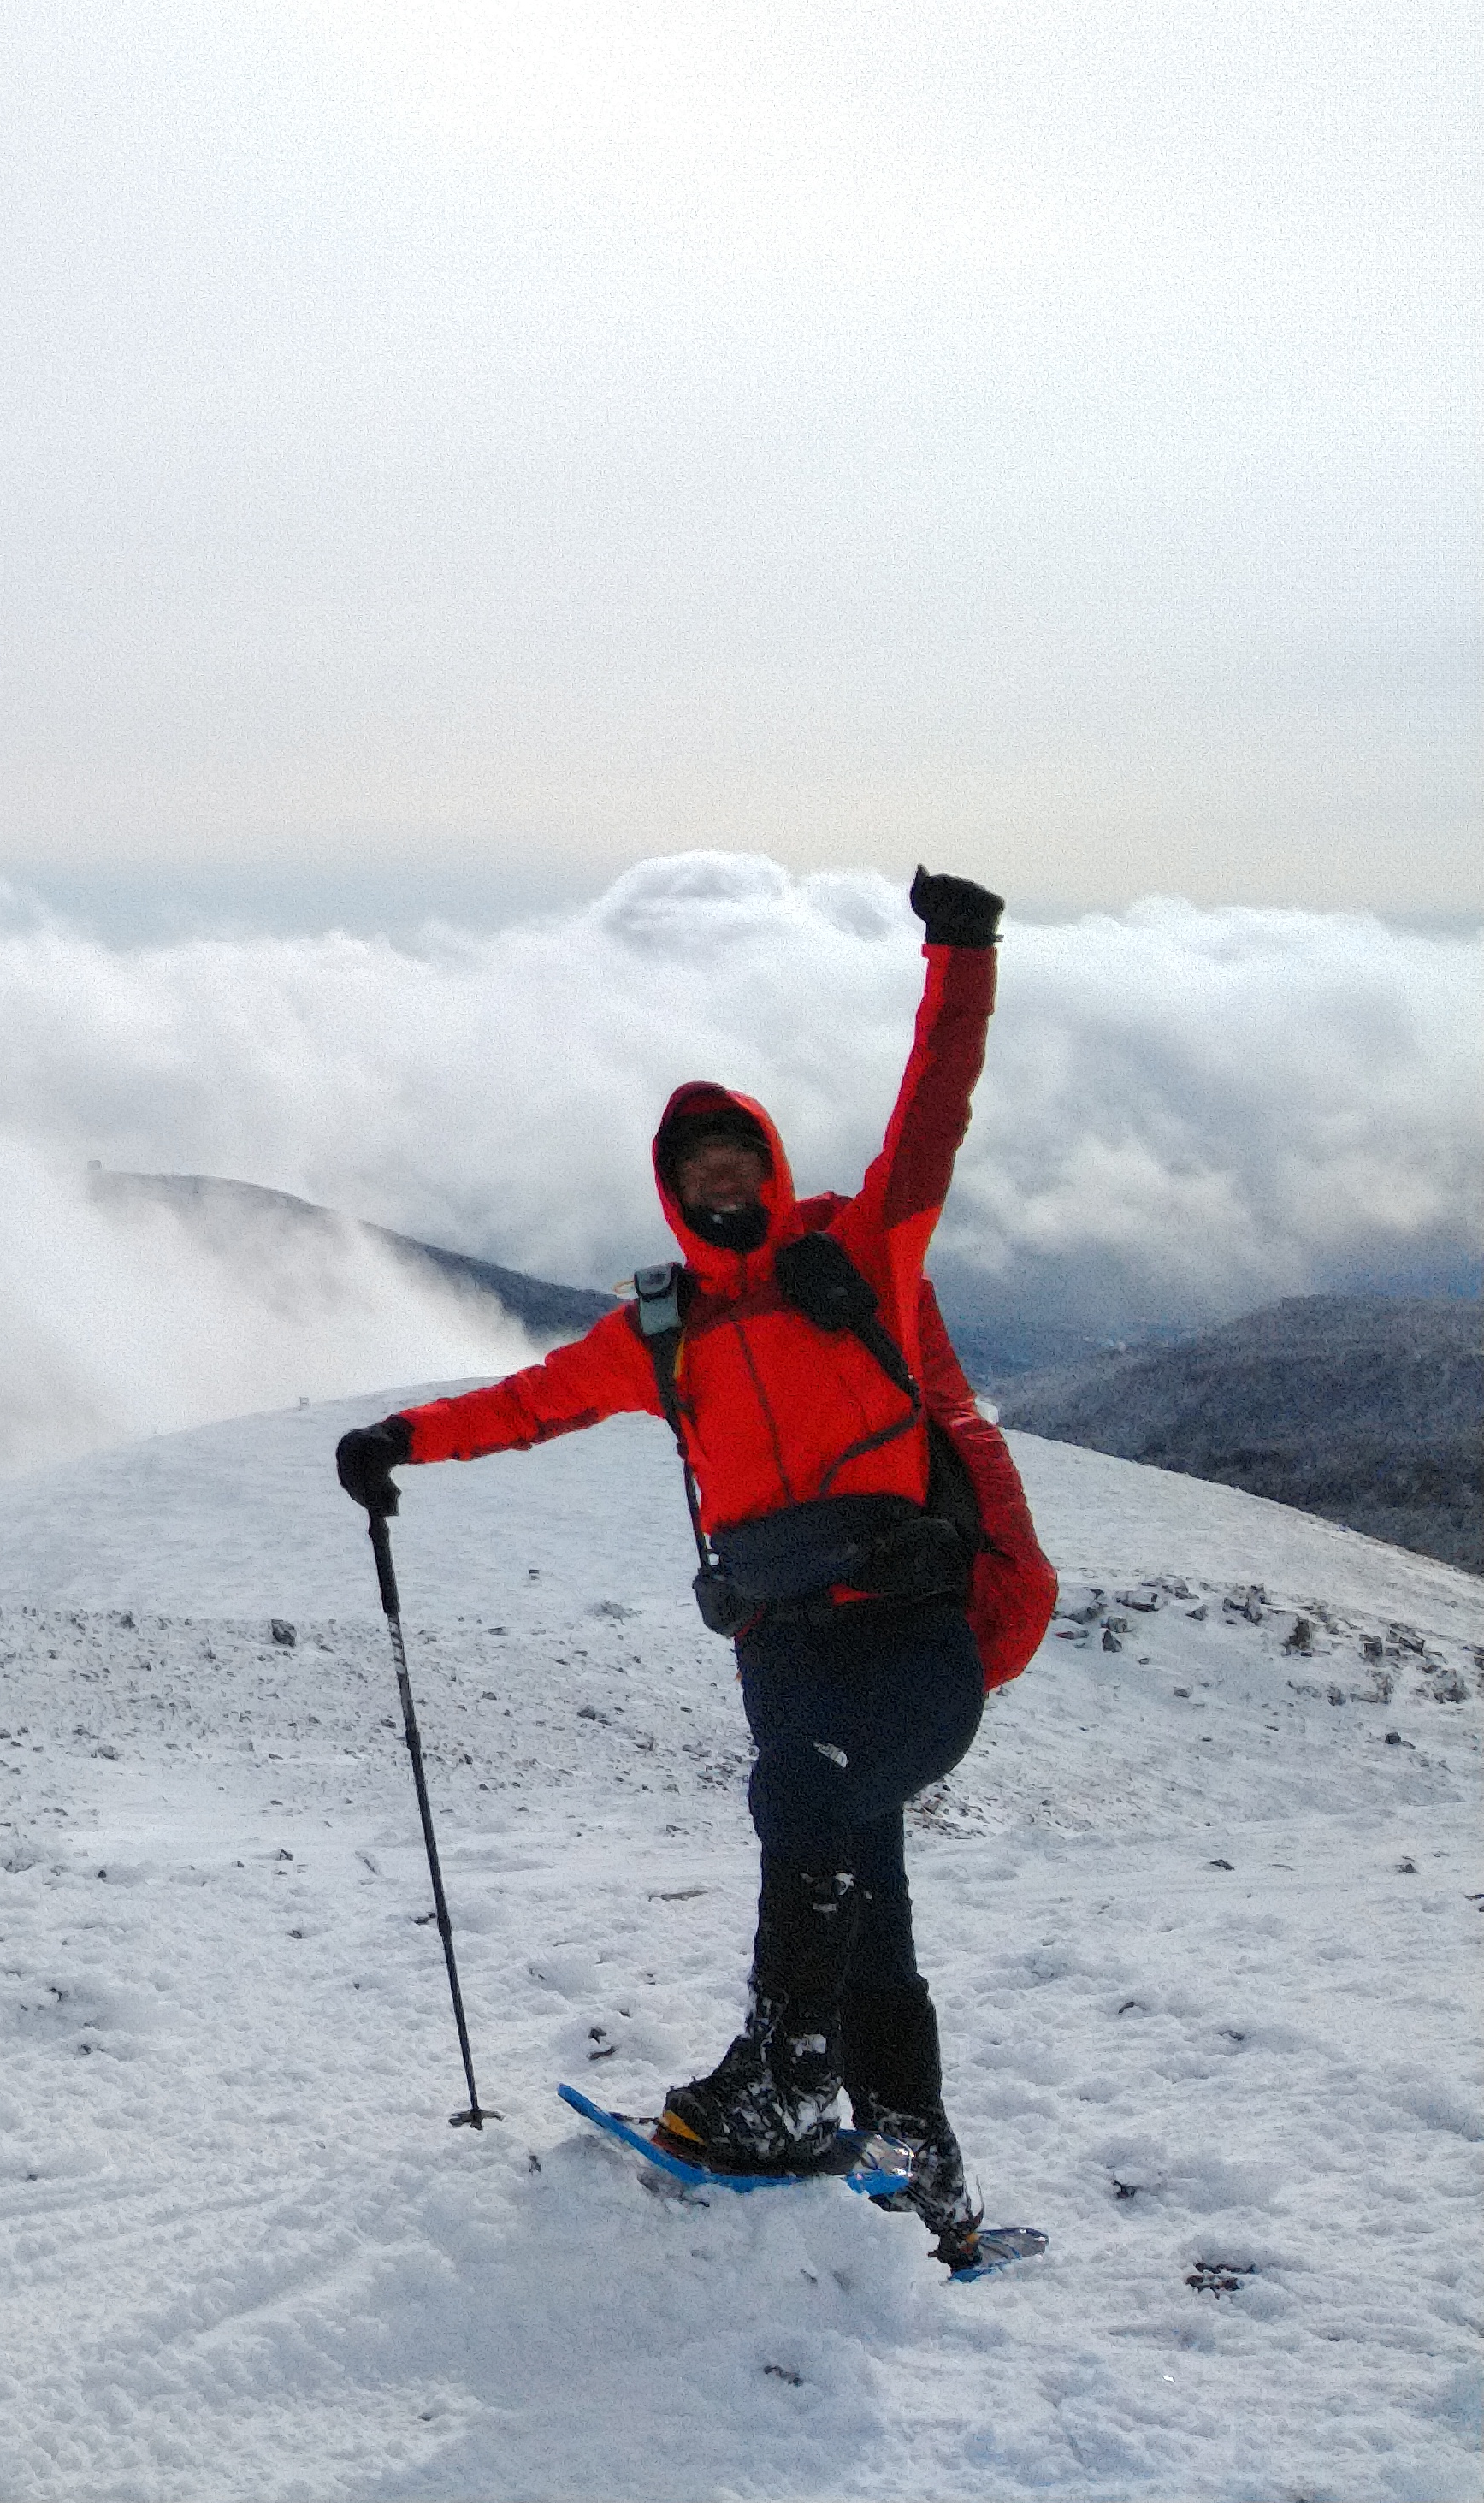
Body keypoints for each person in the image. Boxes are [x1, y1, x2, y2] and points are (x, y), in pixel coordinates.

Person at [331, 865, 1058, 2268]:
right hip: (785, 1649)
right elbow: (528, 1400)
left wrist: (960, 953)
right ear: (673, 1198)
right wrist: (402, 1440)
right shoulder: (660, 1336)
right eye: (697, 1172)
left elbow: (935, 1108)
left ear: (772, 1172)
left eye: (740, 1162)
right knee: (874, 1923)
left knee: (810, 1793)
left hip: (913, 1634)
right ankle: (935, 2191)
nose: (723, 1182)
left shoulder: (862, 1250)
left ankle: (785, 2079)